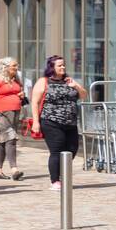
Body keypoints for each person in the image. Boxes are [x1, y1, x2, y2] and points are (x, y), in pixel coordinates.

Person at [30, 55, 86, 191]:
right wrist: (36, 122)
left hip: (71, 122)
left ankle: (62, 174)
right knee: (56, 150)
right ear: (52, 67)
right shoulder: (44, 81)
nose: (63, 67)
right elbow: (35, 102)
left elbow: (84, 95)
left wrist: (76, 86)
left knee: (72, 150)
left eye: (63, 65)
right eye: (59, 65)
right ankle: (55, 180)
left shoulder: (69, 81)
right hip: (51, 121)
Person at [0, 57, 26, 181]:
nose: (16, 68)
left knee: (3, 142)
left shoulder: (16, 80)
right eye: (14, 65)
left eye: (17, 65)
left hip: (14, 114)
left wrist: (21, 95)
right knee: (11, 139)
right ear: (6, 67)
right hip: (1, 114)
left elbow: (19, 92)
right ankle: (14, 169)